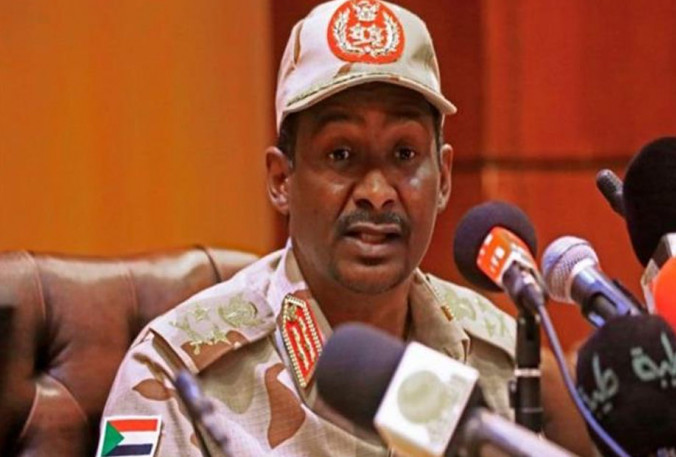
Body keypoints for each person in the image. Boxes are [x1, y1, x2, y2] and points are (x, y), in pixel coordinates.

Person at [98, 1, 582, 456]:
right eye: (341, 154)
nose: (376, 191)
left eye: (404, 154)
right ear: (281, 180)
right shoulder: (176, 372)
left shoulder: (500, 357)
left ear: (444, 179)